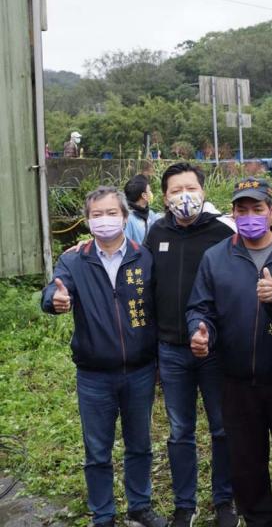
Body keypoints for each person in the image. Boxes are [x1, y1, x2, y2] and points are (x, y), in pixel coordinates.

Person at [186, 178, 272, 527]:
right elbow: (200, 307)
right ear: (233, 214)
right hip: (237, 379)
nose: (250, 216)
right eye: (242, 210)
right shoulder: (216, 257)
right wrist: (200, 332)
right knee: (246, 460)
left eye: (257, 209)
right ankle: (258, 519)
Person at [41, 187, 166, 527]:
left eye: (112, 213)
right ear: (87, 220)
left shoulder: (145, 257)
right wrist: (55, 300)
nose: (105, 220)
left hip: (140, 370)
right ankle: (103, 514)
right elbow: (54, 289)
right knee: (97, 451)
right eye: (97, 214)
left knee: (140, 445)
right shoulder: (74, 259)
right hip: (94, 375)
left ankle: (139, 506)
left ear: (125, 217)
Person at [144, 163, 238, 527]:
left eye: (191, 188)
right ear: (164, 198)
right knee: (180, 430)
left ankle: (225, 500)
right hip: (170, 348)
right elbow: (146, 288)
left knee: (221, 427)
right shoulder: (157, 232)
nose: (185, 196)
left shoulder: (222, 233)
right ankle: (186, 503)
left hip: (214, 349)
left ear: (203, 191)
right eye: (175, 190)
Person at [123, 175, 161, 244]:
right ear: (144, 196)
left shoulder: (149, 214)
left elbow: (161, 219)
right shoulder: (128, 219)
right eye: (149, 191)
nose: (151, 193)